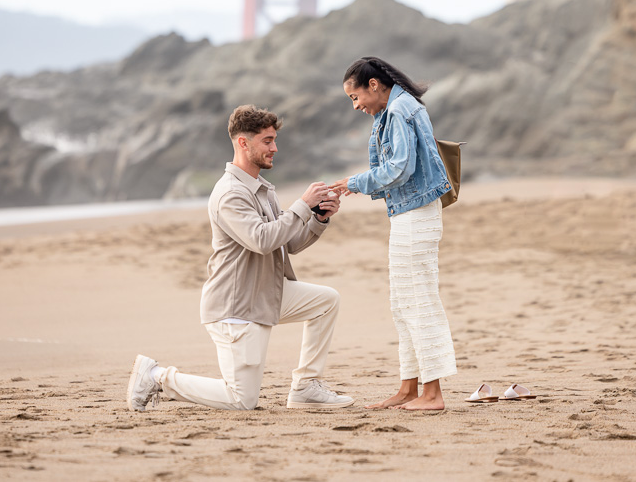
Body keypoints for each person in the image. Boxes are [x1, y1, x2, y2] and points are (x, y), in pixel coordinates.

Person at [127, 104, 354, 411]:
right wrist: (302, 205)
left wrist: (318, 218)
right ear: (243, 143)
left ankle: (305, 388)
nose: (275, 147)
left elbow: (288, 243)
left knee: (326, 301)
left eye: (274, 139)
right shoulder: (229, 193)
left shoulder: (262, 189)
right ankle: (156, 376)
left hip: (265, 294)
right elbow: (261, 240)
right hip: (236, 308)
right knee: (241, 400)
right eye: (267, 141)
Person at [330, 57, 457, 411]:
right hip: (408, 212)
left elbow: (401, 167)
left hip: (416, 214)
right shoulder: (394, 109)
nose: (356, 106)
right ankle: (409, 388)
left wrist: (355, 183)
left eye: (355, 98)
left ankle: (433, 395)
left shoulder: (400, 110)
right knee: (402, 303)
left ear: (373, 85)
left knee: (419, 301)